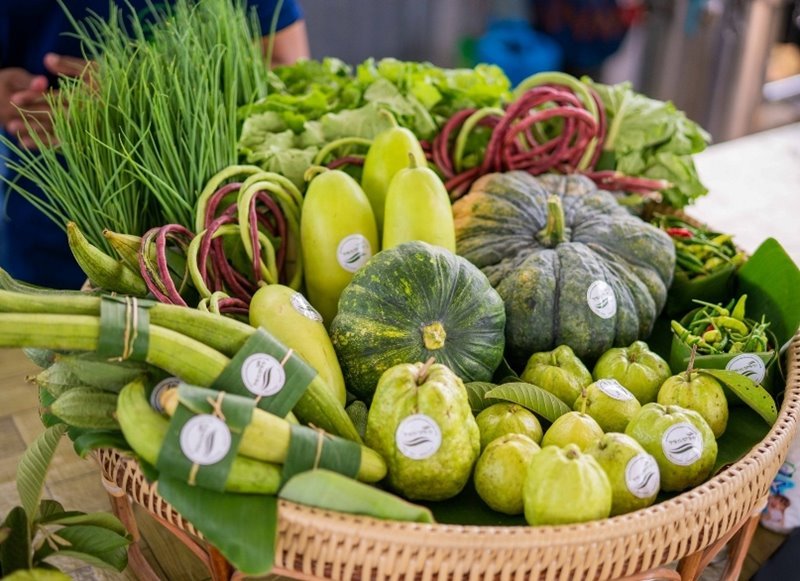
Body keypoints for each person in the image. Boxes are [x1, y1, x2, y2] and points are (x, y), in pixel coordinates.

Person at [0, 0, 309, 288]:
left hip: (214, 242)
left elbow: (287, 66)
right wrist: (10, 96)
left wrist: (132, 90)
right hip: (48, 228)